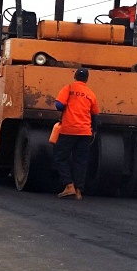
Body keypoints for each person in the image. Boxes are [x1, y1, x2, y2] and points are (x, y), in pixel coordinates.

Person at [53, 68, 100, 200]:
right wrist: (94, 131)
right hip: (85, 132)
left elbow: (59, 105)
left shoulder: (69, 88)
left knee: (60, 157)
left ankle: (69, 185)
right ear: (87, 79)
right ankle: (79, 190)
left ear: (75, 76)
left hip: (69, 129)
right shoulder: (91, 94)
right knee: (81, 161)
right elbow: (95, 115)